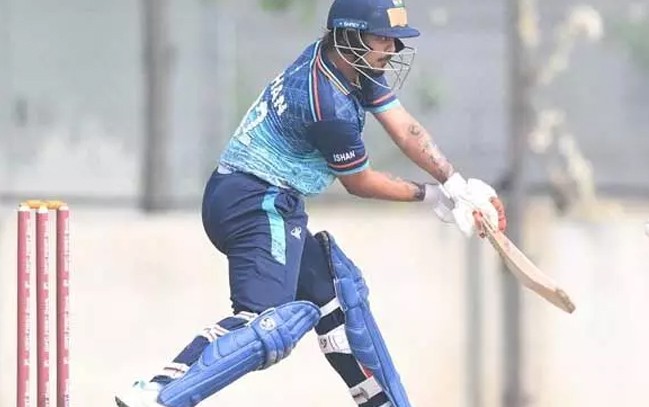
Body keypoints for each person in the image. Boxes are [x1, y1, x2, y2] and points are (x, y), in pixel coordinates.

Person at [115, 0, 506, 406]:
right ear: (350, 35)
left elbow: (406, 130)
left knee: (336, 292)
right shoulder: (327, 105)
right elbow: (359, 182)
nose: (392, 49)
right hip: (256, 201)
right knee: (268, 323)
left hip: (252, 195)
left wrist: (455, 183)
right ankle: (160, 393)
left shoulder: (347, 63)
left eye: (394, 40)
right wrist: (430, 195)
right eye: (383, 38)